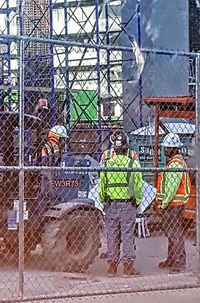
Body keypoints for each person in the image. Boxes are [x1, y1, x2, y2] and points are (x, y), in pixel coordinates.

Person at [99, 129, 143, 277]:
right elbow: (138, 186)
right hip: (127, 204)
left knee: (112, 235)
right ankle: (128, 266)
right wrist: (137, 201)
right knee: (127, 235)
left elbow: (102, 186)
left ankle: (112, 266)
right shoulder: (133, 164)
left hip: (111, 204)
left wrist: (103, 200)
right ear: (126, 147)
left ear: (115, 148)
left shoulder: (107, 163)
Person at [156, 132, 191, 273]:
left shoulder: (175, 165)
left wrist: (163, 204)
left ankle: (178, 262)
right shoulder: (175, 163)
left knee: (175, 234)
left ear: (172, 148)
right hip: (173, 204)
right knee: (171, 233)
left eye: (166, 148)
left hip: (173, 205)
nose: (164, 151)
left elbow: (171, 188)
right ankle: (172, 259)